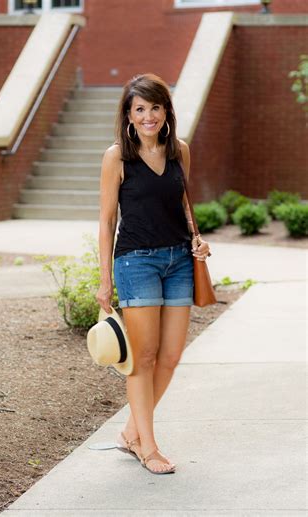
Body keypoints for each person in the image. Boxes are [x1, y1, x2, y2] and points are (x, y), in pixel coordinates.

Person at [96, 73, 210, 475]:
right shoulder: (117, 157)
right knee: (142, 358)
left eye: (155, 107)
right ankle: (148, 446)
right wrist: (104, 279)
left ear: (166, 111)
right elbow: (107, 221)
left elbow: (181, 205)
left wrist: (197, 239)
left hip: (179, 260)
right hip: (136, 262)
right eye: (140, 109)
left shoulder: (179, 150)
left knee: (172, 356)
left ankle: (130, 432)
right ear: (128, 114)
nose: (148, 116)